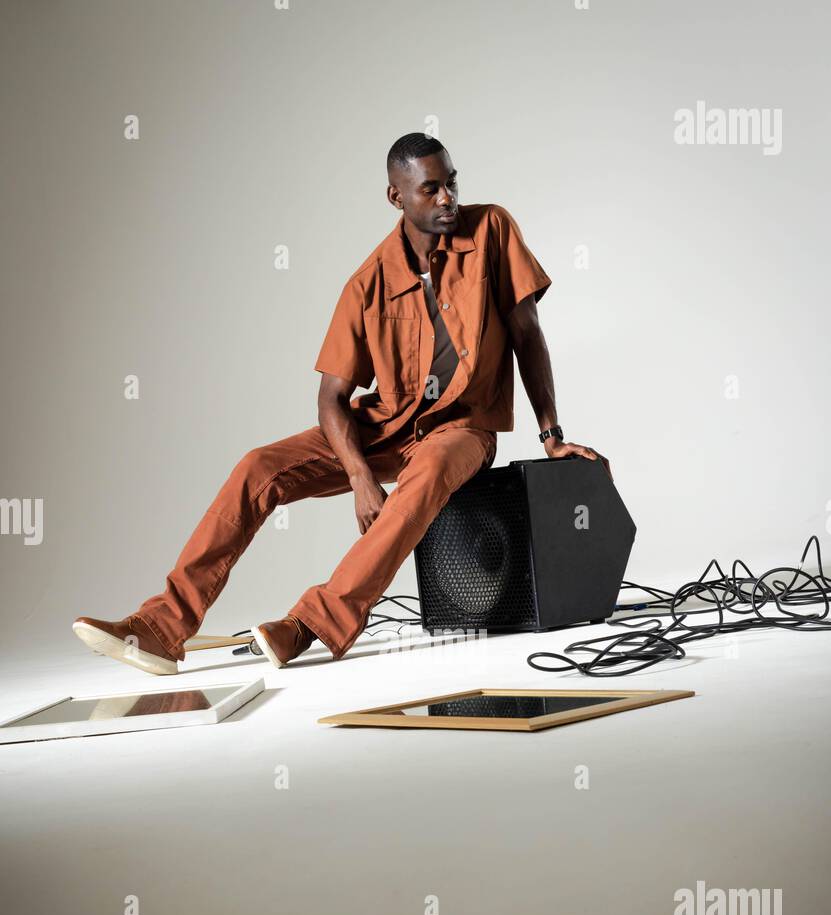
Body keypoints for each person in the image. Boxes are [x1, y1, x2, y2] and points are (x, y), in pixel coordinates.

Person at [72, 132, 609, 676]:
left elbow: (527, 333)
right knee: (257, 468)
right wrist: (358, 476)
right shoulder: (368, 282)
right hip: (384, 427)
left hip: (463, 429)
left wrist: (551, 433)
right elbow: (331, 397)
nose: (448, 198)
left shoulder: (492, 228)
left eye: (451, 184)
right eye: (431, 189)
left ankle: (310, 624)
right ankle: (163, 627)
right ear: (396, 198)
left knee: (426, 477)